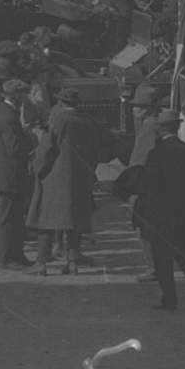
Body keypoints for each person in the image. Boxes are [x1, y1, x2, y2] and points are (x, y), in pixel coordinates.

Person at [129, 107, 185, 310]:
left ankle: (169, 299)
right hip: (182, 212)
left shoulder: (156, 153)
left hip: (160, 213)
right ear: (177, 127)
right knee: (183, 251)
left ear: (160, 129)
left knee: (161, 257)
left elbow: (149, 183)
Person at [31, 87, 109, 275]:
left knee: (46, 220)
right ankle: (73, 262)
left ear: (60, 103)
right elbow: (95, 153)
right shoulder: (87, 122)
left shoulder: (57, 120)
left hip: (54, 178)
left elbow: (46, 150)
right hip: (80, 179)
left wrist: (38, 169)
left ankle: (41, 263)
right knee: (75, 221)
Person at [0, 77, 35, 268]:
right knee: (10, 218)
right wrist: (29, 138)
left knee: (14, 217)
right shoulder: (9, 116)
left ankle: (16, 255)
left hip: (0, 173)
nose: (25, 98)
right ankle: (7, 258)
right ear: (17, 95)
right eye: (24, 95)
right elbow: (14, 147)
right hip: (10, 174)